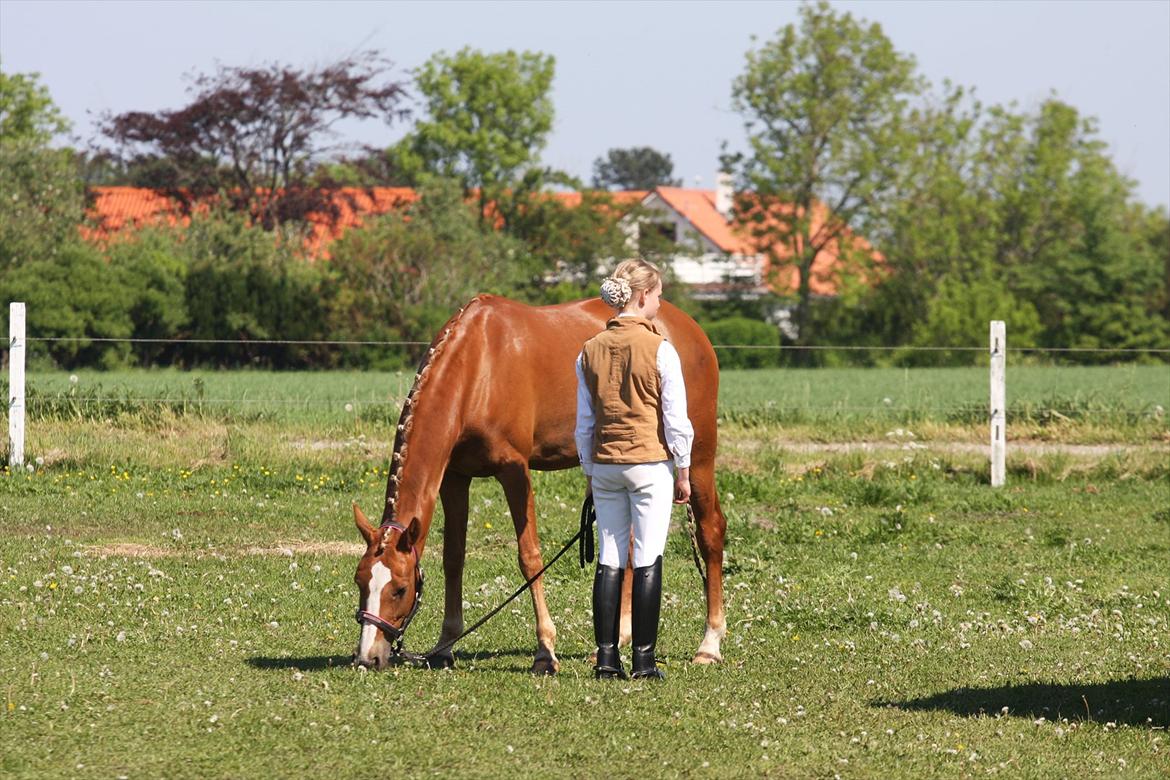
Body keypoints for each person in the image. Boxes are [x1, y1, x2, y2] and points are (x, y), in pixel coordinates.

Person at [574, 259, 694, 680]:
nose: (660, 304)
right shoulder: (661, 349)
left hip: (606, 466)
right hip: (649, 464)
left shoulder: (588, 350)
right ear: (642, 296)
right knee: (647, 557)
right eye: (659, 296)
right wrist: (684, 470)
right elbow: (675, 419)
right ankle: (643, 660)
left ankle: (606, 658)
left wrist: (590, 472)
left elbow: (584, 423)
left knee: (609, 557)